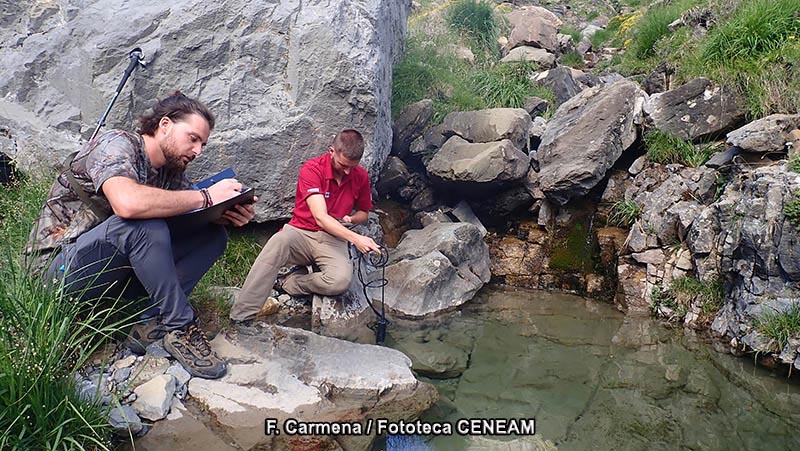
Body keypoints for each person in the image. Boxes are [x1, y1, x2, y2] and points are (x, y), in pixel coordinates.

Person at [25, 91, 256, 379]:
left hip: (103, 271)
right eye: (193, 138)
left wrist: (221, 215)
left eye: (203, 144)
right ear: (165, 125)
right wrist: (205, 197)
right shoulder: (117, 144)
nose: (198, 151)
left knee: (213, 234)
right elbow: (128, 204)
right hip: (54, 274)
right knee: (144, 224)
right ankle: (180, 328)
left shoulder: (171, 176)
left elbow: (182, 219)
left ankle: (148, 323)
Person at [230, 129, 381, 322]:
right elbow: (319, 217)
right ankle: (241, 317)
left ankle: (289, 283)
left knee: (340, 281)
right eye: (343, 165)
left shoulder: (360, 176)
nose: (347, 171)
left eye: (353, 166)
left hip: (333, 238)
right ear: (331, 151)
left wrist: (352, 220)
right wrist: (356, 238)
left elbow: (364, 213)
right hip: (301, 232)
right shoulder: (312, 169)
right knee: (278, 242)